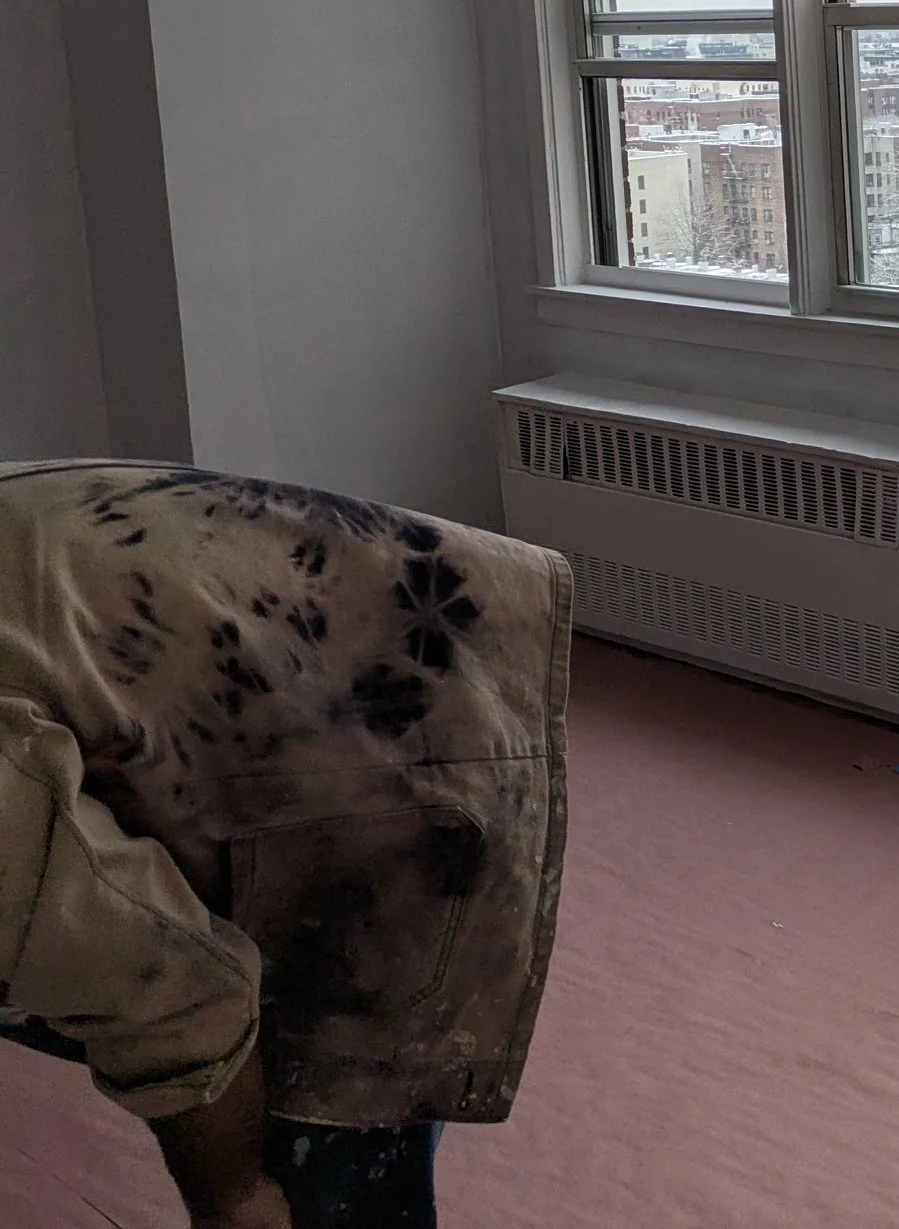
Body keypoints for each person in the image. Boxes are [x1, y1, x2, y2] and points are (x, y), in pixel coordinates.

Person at [0, 460, 572, 1228]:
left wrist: (232, 1195)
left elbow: (177, 992)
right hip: (284, 631)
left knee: (321, 1146)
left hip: (378, 740)